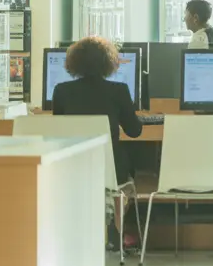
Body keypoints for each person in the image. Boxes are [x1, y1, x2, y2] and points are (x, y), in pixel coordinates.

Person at [52, 36, 144, 249]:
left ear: (73, 63)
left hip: (72, 167)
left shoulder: (61, 91)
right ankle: (115, 229)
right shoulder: (119, 90)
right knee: (131, 168)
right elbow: (135, 131)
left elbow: (58, 131)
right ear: (109, 63)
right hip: (110, 170)